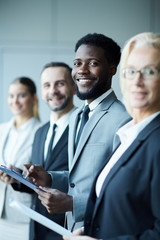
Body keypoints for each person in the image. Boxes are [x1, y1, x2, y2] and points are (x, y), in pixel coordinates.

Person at [27, 33, 131, 230]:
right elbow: (79, 178)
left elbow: (125, 190)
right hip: (72, 230)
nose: (82, 70)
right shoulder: (77, 116)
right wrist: (49, 178)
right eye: (77, 63)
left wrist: (74, 204)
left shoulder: (124, 120)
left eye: (92, 63)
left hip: (102, 230)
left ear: (112, 69)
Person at [63, 32, 160, 240]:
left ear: (111, 70)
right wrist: (89, 229)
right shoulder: (131, 134)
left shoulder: (148, 136)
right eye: (131, 71)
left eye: (150, 71)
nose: (137, 81)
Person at [13, 62, 76, 240]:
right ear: (41, 92)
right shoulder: (40, 132)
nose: (53, 91)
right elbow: (40, 183)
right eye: (47, 85)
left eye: (60, 84)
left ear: (74, 88)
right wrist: (18, 178)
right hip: (37, 229)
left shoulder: (85, 127)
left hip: (68, 229)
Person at [0, 77, 41, 240]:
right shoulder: (1, 129)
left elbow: (42, 174)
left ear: (34, 98)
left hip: (23, 216)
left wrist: (17, 175)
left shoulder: (40, 132)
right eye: (11, 96)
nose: (14, 101)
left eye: (21, 95)